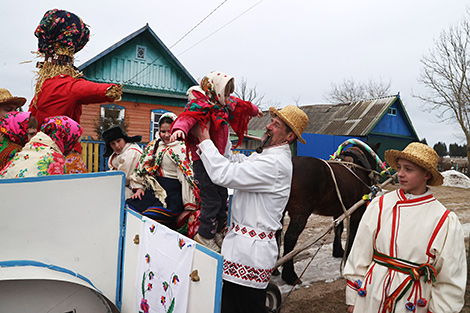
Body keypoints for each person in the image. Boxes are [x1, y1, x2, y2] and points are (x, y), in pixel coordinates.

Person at [190, 105, 309, 313]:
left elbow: (225, 175)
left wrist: (205, 139)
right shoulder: (266, 157)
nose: (268, 125)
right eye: (271, 120)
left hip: (252, 254)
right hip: (241, 250)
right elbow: (233, 161)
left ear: (289, 136)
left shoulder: (276, 164)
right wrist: (221, 132)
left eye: (276, 124)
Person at [343, 142, 467, 313]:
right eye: (399, 167)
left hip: (412, 301)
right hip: (371, 294)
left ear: (427, 175)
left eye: (408, 169)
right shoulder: (380, 205)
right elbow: (360, 252)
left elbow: (450, 279)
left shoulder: (444, 220)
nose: (400, 174)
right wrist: (353, 297)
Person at [170, 71, 262, 252]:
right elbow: (187, 118)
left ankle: (217, 230)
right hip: (202, 162)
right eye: (225, 94)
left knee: (221, 198)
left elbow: (242, 105)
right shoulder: (200, 105)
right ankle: (204, 235)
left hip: (217, 160)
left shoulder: (223, 105)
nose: (228, 98)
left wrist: (255, 110)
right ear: (214, 91)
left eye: (228, 94)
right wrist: (179, 130)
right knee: (211, 200)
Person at [29, 9, 122, 170]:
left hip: (37, 150)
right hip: (64, 153)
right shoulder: (66, 85)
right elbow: (86, 89)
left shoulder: (43, 84)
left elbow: (32, 114)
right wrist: (109, 90)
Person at [126, 112, 199, 231]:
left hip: (172, 195)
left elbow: (186, 178)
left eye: (169, 131)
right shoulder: (153, 146)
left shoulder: (181, 149)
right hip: (153, 190)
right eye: (163, 131)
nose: (166, 135)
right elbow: (142, 169)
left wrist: (188, 206)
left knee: (151, 217)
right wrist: (138, 187)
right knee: (129, 208)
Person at [0, 116, 83, 178]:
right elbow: (57, 193)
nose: (72, 148)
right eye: (74, 142)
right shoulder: (55, 157)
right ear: (65, 138)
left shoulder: (29, 148)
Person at [103, 126, 143, 198]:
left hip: (135, 188)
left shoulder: (131, 152)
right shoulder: (119, 153)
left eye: (118, 141)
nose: (117, 146)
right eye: (113, 143)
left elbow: (123, 178)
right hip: (122, 185)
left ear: (124, 139)